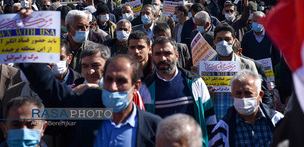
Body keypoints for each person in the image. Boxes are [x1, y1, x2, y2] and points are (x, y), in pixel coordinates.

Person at [19, 55, 161, 147]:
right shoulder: (89, 105)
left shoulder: (154, 127)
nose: (113, 87)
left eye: (121, 81)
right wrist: (27, 48)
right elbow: (51, 89)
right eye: (109, 80)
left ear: (136, 86)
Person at [140, 37, 217, 147]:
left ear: (177, 55)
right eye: (157, 54)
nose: (163, 58)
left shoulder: (195, 82)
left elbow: (210, 119)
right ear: (152, 57)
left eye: (167, 53)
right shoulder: (145, 88)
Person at [209, 70, 283, 147]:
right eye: (238, 93)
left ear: (260, 95)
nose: (243, 98)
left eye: (248, 93)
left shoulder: (277, 120)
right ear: (232, 97)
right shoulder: (222, 129)